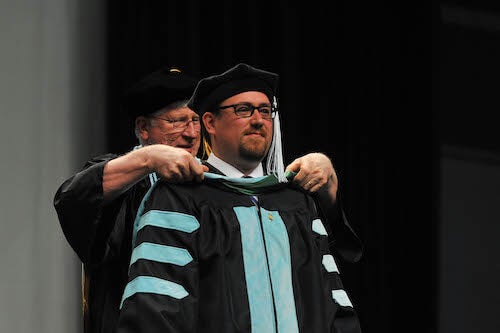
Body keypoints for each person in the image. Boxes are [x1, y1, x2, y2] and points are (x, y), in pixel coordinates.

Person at [54, 66, 359, 333]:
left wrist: (327, 183)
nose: (190, 134)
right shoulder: (133, 182)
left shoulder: (230, 189)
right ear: (143, 129)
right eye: (176, 121)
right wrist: (148, 160)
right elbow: (74, 200)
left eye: (195, 121)